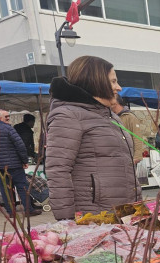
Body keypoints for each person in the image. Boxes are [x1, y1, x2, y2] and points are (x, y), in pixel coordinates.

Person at [46, 55, 140, 221]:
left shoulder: (111, 116)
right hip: (94, 216)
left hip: (123, 212)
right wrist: (66, 222)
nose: (119, 87)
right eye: (113, 81)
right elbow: (58, 171)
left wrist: (137, 203)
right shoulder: (68, 115)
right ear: (95, 81)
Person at [0, 110, 41, 216]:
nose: (8, 119)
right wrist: (24, 160)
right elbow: (20, 146)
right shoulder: (8, 128)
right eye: (6, 117)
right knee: (22, 187)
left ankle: (11, 212)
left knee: (6, 189)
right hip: (14, 164)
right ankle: (28, 210)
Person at [111, 96, 144, 164]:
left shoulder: (130, 117)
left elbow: (137, 137)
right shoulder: (111, 117)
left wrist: (137, 156)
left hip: (129, 157)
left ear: (115, 103)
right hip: (116, 156)